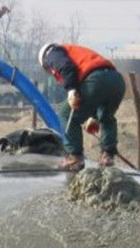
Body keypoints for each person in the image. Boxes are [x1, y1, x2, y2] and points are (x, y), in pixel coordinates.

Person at [38, 42, 126, 171]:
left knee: (66, 115)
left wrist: (71, 89)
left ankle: (74, 157)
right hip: (117, 81)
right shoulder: (75, 51)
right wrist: (93, 117)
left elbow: (66, 67)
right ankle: (108, 156)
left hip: (96, 79)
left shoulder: (51, 53)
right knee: (106, 117)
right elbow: (97, 94)